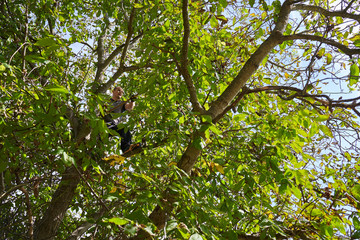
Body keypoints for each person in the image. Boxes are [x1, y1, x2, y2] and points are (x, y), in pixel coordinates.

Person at [104, 86, 140, 153]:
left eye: (122, 92)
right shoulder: (106, 101)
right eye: (118, 90)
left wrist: (133, 101)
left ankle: (127, 148)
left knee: (124, 128)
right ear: (113, 91)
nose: (120, 92)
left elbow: (129, 107)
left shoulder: (121, 103)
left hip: (112, 127)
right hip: (102, 126)